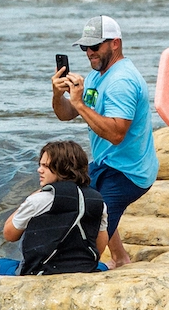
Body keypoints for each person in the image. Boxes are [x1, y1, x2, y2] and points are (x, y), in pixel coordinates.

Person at [49, 15, 153, 269]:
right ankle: (120, 258)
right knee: (81, 199)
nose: (89, 53)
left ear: (115, 43)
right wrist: (57, 94)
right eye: (85, 47)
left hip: (129, 172)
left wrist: (80, 104)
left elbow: (116, 135)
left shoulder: (122, 81)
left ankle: (83, 264)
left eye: (95, 47)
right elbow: (65, 114)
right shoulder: (97, 76)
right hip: (106, 163)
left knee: (95, 218)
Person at [0, 139, 108, 277]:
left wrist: (31, 197)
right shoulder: (97, 200)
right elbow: (100, 246)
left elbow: (9, 234)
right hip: (84, 269)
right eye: (40, 165)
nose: (39, 170)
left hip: (41, 272)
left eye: (45, 166)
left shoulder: (39, 200)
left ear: (63, 168)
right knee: (103, 266)